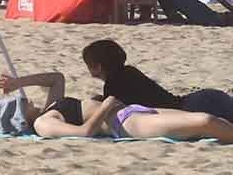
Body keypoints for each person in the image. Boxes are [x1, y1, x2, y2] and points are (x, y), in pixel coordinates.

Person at [0, 71, 233, 141]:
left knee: (205, 119)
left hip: (129, 110)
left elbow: (56, 78)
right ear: (19, 118)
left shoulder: (48, 108)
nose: (23, 98)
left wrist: (17, 82)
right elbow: (84, 133)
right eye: (19, 103)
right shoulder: (44, 124)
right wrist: (106, 106)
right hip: (124, 123)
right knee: (205, 122)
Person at [82, 39, 233, 121]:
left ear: (98, 67)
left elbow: (117, 112)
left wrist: (100, 102)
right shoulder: (129, 72)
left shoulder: (113, 84)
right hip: (200, 100)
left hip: (194, 108)